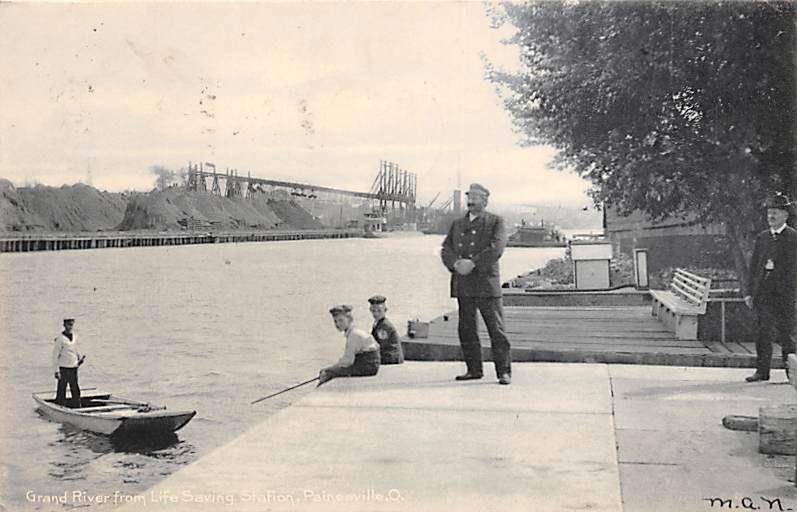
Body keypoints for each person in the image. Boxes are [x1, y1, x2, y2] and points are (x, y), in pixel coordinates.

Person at [441, 183, 512, 385]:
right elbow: (446, 248)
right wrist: (455, 264)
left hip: (486, 284)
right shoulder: (457, 224)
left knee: (496, 330)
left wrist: (473, 263)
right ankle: (473, 369)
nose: (470, 201)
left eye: (475, 197)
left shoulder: (495, 222)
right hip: (464, 284)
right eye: (469, 197)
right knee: (467, 329)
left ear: (485, 200)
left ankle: (503, 372)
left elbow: (496, 249)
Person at [744, 193, 797, 382]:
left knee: (787, 334)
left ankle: (791, 375)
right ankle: (762, 371)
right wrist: (749, 292)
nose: (771, 217)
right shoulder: (763, 238)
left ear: (785, 215)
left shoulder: (793, 237)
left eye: (775, 213)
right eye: (769, 213)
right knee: (762, 333)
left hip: (785, 294)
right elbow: (753, 267)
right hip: (763, 293)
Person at [318, 305, 380, 386]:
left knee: (327, 373)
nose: (338, 324)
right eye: (335, 321)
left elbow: (348, 361)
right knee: (330, 371)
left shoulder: (353, 335)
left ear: (350, 319)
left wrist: (329, 369)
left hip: (367, 367)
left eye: (341, 320)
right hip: (368, 364)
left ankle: (321, 393)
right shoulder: (354, 332)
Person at [52, 318, 85, 407]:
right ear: (64, 325)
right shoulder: (60, 339)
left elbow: (75, 349)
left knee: (75, 388)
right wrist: (56, 371)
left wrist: (79, 358)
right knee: (62, 388)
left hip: (73, 366)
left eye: (71, 325)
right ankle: (59, 406)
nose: (70, 327)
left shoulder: (74, 336)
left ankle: (77, 406)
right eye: (68, 325)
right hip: (64, 367)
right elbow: (55, 356)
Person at [368, 295, 404, 364]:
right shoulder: (378, 323)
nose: (376, 313)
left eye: (379, 311)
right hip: (388, 355)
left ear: (385, 310)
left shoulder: (385, 326)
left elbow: (379, 345)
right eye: (373, 310)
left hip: (391, 356)